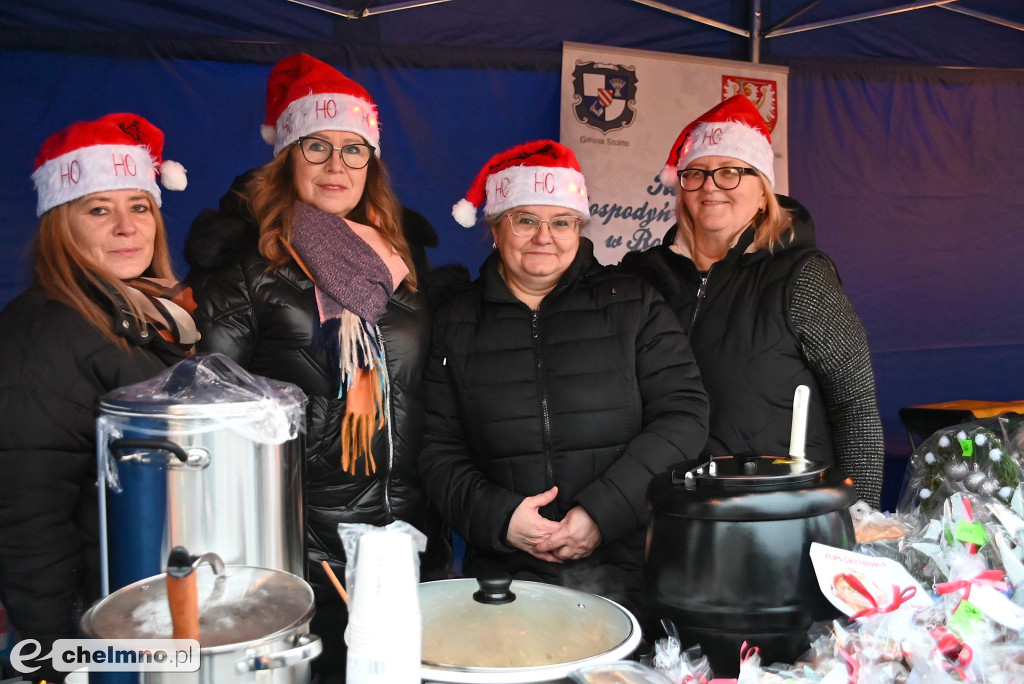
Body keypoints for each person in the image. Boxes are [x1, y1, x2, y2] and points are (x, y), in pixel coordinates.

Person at [183, 53, 449, 682]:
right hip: (305, 556)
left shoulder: (401, 265)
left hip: (406, 542)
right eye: (317, 146)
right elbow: (210, 421)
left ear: (371, 164)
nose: (336, 165)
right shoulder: (248, 275)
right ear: (287, 158)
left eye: (353, 149)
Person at [419, 140, 709, 623]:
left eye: (561, 222)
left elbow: (684, 416)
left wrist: (602, 513)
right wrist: (502, 518)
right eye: (525, 220)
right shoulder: (455, 321)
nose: (544, 237)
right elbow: (436, 449)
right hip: (504, 583)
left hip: (627, 575)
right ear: (496, 227)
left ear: (580, 228)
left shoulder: (632, 303)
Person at [0, 113, 195, 681]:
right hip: (95, 626)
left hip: (147, 606)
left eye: (139, 207)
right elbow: (28, 519)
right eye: (98, 210)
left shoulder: (146, 312)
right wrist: (53, 661)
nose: (126, 227)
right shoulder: (45, 333)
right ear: (61, 226)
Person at [620, 94, 885, 508]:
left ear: (763, 193)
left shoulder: (802, 277)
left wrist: (860, 516)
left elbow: (856, 409)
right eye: (696, 173)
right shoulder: (643, 278)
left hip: (782, 519)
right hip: (666, 517)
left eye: (730, 171)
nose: (710, 185)